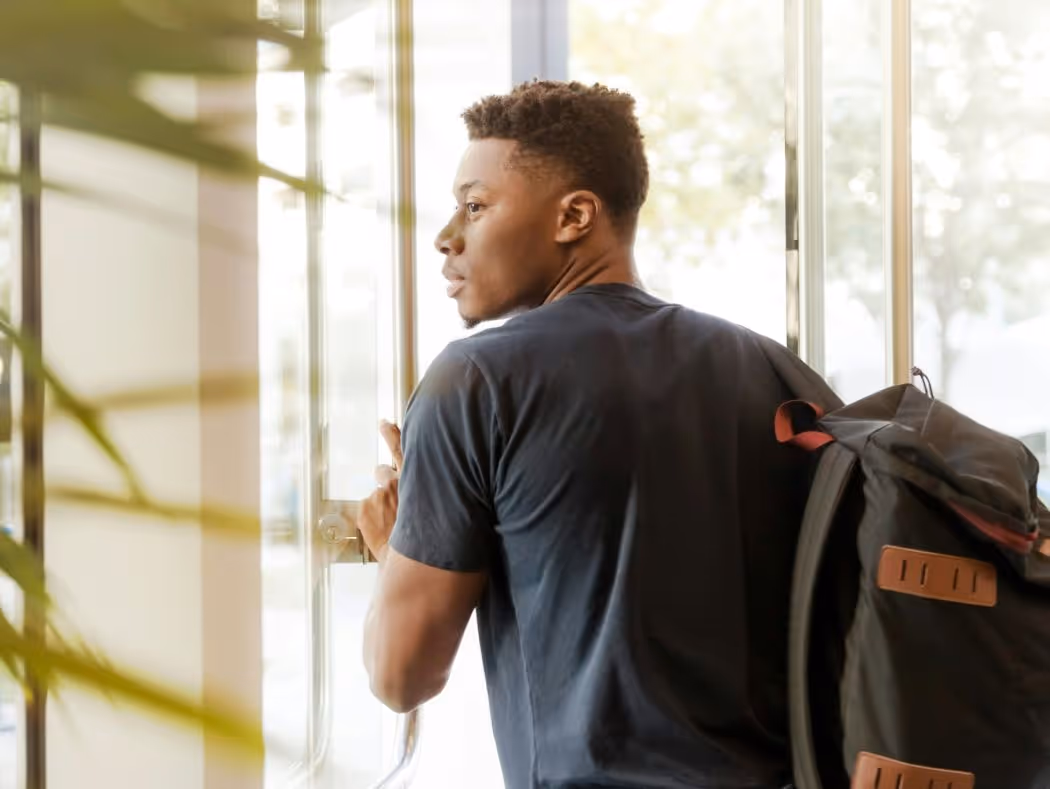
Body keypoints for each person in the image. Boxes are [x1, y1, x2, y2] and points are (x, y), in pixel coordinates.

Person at [355, 80, 812, 789]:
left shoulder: (476, 380)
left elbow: (400, 676)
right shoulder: (770, 369)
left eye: (475, 206)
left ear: (574, 216)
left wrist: (394, 548)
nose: (447, 237)